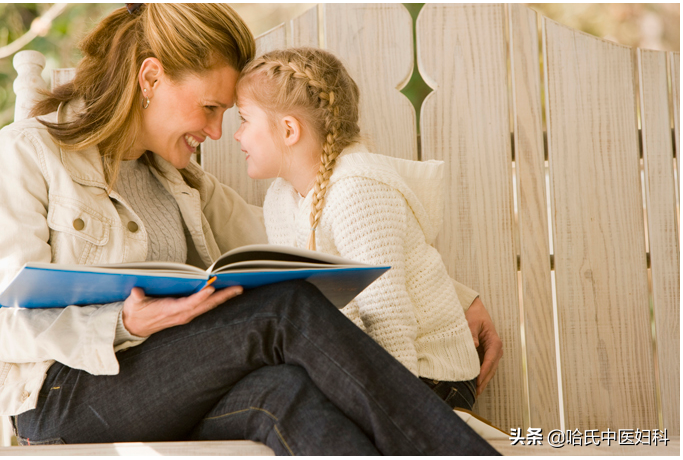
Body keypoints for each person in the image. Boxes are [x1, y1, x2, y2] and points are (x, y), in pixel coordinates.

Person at [0, 4, 500, 455]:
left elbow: (301, 242)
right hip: (63, 395)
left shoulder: (180, 181)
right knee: (285, 310)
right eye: (210, 108)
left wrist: (455, 296)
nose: (217, 132)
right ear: (150, 78)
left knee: (285, 392)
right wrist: (121, 323)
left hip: (164, 386)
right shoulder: (27, 154)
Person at [234, 47, 482, 410]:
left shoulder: (358, 190)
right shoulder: (279, 198)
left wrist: (399, 411)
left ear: (288, 129)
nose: (237, 134)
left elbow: (388, 316)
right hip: (364, 363)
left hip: (426, 375)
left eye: (244, 120)